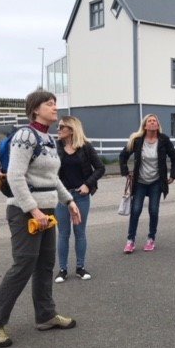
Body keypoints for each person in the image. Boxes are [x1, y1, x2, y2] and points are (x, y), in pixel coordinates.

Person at [0, 90, 80, 348]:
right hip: (25, 212)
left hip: (47, 211)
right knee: (23, 264)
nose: (55, 107)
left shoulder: (49, 139)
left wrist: (69, 201)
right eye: (50, 104)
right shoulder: (26, 136)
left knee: (45, 264)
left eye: (55, 103)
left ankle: (45, 316)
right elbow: (15, 176)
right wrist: (33, 210)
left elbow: (52, 178)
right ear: (35, 109)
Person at [54, 116, 105, 283]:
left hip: (81, 196)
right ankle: (62, 269)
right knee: (63, 233)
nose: (58, 129)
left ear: (71, 129)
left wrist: (88, 184)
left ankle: (80, 267)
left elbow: (100, 168)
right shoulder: (55, 147)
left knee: (80, 232)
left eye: (61, 127)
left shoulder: (85, 147)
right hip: (62, 197)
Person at [119, 114, 175, 253]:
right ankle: (130, 240)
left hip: (156, 182)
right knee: (136, 210)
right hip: (140, 182)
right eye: (149, 121)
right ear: (145, 125)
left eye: (154, 121)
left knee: (153, 210)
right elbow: (123, 156)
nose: (152, 123)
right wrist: (125, 171)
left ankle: (151, 238)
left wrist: (173, 175)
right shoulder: (137, 140)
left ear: (158, 125)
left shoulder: (164, 140)